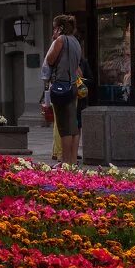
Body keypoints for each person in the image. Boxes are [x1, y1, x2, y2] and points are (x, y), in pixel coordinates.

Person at [45, 14, 82, 166]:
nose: (53, 30)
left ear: (59, 28)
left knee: (64, 127)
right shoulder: (76, 42)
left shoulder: (60, 40)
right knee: (73, 126)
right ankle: (72, 161)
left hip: (61, 86)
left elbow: (50, 59)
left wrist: (54, 41)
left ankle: (65, 161)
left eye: (55, 27)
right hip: (72, 85)